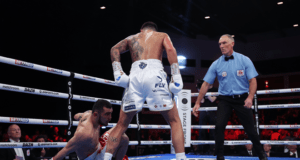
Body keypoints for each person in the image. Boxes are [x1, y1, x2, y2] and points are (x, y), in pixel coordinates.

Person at [104, 21, 186, 160]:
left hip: (135, 75)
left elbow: (114, 49)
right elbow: (171, 50)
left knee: (121, 124)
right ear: (154, 29)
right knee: (174, 121)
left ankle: (106, 158)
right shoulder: (162, 35)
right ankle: (181, 158)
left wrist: (118, 73)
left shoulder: (132, 38)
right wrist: (176, 75)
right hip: (155, 74)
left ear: (141, 30)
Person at [192, 34, 267, 160]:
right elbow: (205, 84)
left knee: (250, 130)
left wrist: (250, 97)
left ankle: (261, 154)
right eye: (220, 44)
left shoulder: (244, 60)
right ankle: (220, 156)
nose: (221, 46)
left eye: (224, 43)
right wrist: (197, 102)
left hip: (242, 98)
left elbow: (253, 81)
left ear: (232, 43)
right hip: (225, 99)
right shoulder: (216, 64)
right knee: (219, 126)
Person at [51, 99, 128, 160]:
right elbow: (65, 150)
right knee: (124, 138)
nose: (110, 117)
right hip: (93, 158)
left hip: (98, 148)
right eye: (107, 114)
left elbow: (76, 116)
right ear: (96, 115)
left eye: (111, 113)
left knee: (120, 131)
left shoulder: (88, 114)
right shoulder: (85, 134)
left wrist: (82, 120)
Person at [196, 79, 218, 155]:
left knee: (212, 132)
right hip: (203, 111)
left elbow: (212, 99)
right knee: (201, 131)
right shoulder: (203, 89)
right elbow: (202, 101)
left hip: (212, 111)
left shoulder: (215, 89)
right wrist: (200, 91)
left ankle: (212, 150)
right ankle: (200, 150)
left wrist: (205, 91)